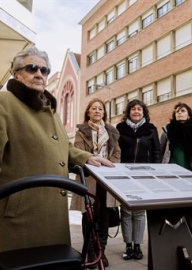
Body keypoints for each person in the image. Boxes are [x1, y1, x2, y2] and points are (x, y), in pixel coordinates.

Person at [0, 46, 114, 258]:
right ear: (16, 73)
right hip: (17, 217)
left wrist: (87, 158)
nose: (39, 74)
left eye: (44, 70)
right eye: (32, 68)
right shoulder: (1, 101)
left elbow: (63, 149)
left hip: (52, 215)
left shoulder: (49, 111)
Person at [69, 98, 121, 268]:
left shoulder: (112, 132)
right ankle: (91, 252)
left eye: (100, 108)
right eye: (94, 108)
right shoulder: (81, 131)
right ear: (89, 112)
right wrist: (95, 162)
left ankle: (102, 252)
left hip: (106, 180)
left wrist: (109, 165)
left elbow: (117, 154)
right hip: (89, 177)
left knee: (105, 218)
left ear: (104, 113)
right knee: (89, 217)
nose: (97, 111)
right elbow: (78, 151)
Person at [116, 99, 162, 260]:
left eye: (139, 110)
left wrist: (155, 173)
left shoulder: (150, 129)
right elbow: (116, 151)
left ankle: (138, 246)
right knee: (126, 211)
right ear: (128, 112)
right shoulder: (120, 129)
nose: (136, 112)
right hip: (124, 174)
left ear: (144, 113)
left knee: (140, 212)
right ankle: (128, 245)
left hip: (144, 175)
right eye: (133, 109)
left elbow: (157, 152)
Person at [160, 102, 192, 171]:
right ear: (175, 115)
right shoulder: (167, 129)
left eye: (183, 111)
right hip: (171, 168)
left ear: (189, 115)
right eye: (177, 111)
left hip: (191, 168)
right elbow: (160, 149)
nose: (179, 113)